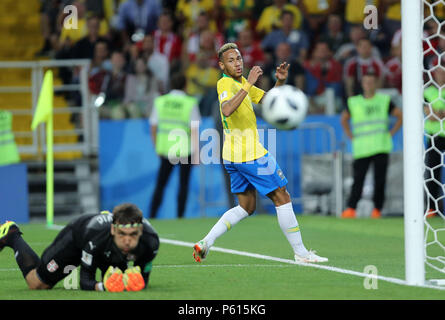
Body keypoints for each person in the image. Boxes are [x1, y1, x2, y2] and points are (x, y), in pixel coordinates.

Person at [193, 43, 328, 264]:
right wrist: (248, 85)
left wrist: (281, 81)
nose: (237, 63)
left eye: (238, 59)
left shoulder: (241, 83)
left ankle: (206, 242)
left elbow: (270, 101)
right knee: (281, 195)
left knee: (246, 206)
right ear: (221, 65)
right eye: (231, 60)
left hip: (233, 155)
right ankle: (302, 254)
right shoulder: (225, 83)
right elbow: (226, 109)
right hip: (249, 153)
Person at [0, 203, 159, 291]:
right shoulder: (95, 236)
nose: (127, 241)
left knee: (115, 274)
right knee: (37, 284)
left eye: (133, 235)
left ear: (141, 231)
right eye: (122, 234)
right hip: (77, 239)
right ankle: (12, 235)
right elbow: (85, 280)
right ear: (113, 229)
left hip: (108, 247)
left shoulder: (151, 243)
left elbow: (143, 278)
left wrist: (134, 282)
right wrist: (102, 287)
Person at [340, 71, 403, 219]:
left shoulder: (384, 100)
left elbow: (400, 115)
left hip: (380, 145)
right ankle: (351, 208)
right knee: (358, 180)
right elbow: (344, 119)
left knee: (380, 180)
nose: (368, 84)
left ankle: (377, 209)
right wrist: (350, 135)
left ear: (375, 84)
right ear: (362, 84)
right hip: (362, 147)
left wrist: (391, 133)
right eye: (366, 81)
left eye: (371, 81)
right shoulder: (354, 102)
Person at [148, 73, 201, 219]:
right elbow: (194, 129)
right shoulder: (190, 103)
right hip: (185, 149)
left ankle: (152, 215)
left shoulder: (160, 101)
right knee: (183, 185)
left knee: (160, 185)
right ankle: (180, 217)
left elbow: (153, 127)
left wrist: (156, 146)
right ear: (185, 85)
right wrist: (197, 154)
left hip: (166, 149)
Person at [424, 66, 445, 218]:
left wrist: (437, 112)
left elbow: (434, 113)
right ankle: (432, 208)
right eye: (438, 72)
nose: (440, 75)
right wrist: (440, 113)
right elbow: (429, 114)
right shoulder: (428, 92)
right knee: (432, 172)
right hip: (435, 136)